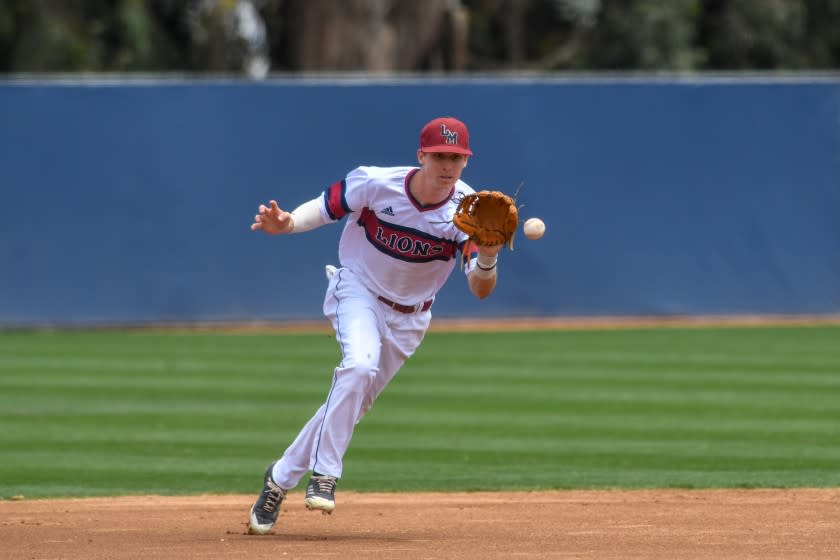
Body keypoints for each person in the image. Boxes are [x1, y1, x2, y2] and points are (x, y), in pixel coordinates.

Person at [247, 116, 503, 534]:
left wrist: (489, 256)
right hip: (358, 291)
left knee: (352, 402)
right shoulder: (376, 183)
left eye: (456, 158)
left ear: (466, 163)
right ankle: (325, 475)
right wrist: (289, 222)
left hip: (411, 318)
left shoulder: (468, 211)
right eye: (439, 155)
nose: (447, 166)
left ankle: (278, 479)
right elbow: (327, 206)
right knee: (360, 366)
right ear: (421, 155)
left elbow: (480, 289)